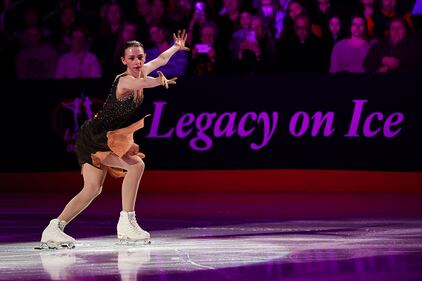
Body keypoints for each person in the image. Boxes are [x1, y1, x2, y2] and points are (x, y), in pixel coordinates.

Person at [39, 30, 189, 249]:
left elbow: (161, 60)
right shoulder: (126, 81)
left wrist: (176, 47)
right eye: (132, 58)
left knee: (92, 189)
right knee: (137, 165)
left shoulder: (143, 70)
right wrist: (159, 81)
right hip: (95, 137)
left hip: (100, 134)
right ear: (123, 61)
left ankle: (54, 229)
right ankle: (126, 221)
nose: (137, 62)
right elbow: (145, 84)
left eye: (140, 57)